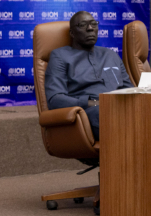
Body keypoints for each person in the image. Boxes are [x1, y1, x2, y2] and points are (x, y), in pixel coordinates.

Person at [45, 10, 133, 141]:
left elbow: (129, 90)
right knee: (105, 114)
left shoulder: (111, 55)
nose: (90, 28)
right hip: (92, 112)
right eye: (82, 25)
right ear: (72, 33)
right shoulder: (60, 56)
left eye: (94, 24)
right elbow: (55, 99)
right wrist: (93, 103)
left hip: (120, 108)